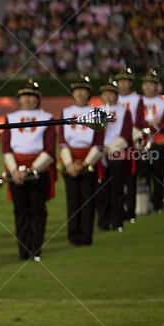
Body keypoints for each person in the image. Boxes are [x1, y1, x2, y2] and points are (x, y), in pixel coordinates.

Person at [1, 79, 55, 261]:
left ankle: (36, 250)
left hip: (39, 170)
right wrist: (15, 171)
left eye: (32, 95)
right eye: (25, 95)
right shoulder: (10, 118)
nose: (28, 99)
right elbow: (6, 148)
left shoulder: (47, 118)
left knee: (37, 210)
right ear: (19, 98)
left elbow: (49, 150)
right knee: (21, 211)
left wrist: (30, 170)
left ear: (38, 98)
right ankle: (23, 251)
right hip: (16, 171)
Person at [59, 75, 103, 246]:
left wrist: (84, 165)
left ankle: (85, 236)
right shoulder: (66, 112)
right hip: (70, 161)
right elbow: (62, 141)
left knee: (88, 199)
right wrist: (70, 164)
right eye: (77, 90)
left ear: (89, 93)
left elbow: (99, 143)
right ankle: (73, 235)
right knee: (72, 199)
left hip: (89, 162)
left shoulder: (97, 114)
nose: (81, 94)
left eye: (84, 91)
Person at [97, 80, 132, 233]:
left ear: (116, 96)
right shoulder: (96, 111)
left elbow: (126, 134)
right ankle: (103, 222)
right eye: (105, 94)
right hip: (99, 156)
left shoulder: (125, 111)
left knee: (117, 189)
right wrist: (100, 148)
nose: (108, 96)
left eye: (111, 93)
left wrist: (110, 148)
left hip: (117, 154)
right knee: (101, 191)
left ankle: (117, 221)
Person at [138, 69, 164, 213]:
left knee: (158, 174)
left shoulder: (163, 102)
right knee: (143, 172)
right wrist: (152, 123)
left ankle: (158, 203)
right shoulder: (138, 101)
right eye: (146, 83)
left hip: (159, 141)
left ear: (156, 86)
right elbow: (137, 122)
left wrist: (148, 124)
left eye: (151, 83)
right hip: (142, 143)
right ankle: (146, 203)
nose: (148, 86)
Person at [115, 67, 142, 222]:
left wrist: (126, 137)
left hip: (130, 141)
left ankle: (130, 210)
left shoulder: (137, 99)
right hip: (114, 143)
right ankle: (118, 210)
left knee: (130, 176)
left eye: (126, 81)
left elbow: (138, 122)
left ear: (130, 83)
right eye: (121, 81)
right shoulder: (112, 98)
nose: (123, 84)